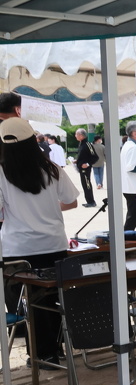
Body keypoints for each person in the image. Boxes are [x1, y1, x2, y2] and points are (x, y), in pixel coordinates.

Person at [0, 117, 78, 369]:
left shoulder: (2, 172)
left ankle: (41, 354)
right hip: (53, 244)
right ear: (33, 141)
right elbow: (72, 201)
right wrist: (48, 209)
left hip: (18, 249)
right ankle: (54, 350)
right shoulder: (52, 168)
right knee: (53, 298)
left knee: (26, 303)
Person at [73, 128, 98, 208]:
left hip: (86, 169)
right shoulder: (81, 144)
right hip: (81, 168)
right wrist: (77, 161)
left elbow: (95, 157)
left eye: (76, 134)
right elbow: (83, 156)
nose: (75, 136)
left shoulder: (88, 144)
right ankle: (88, 200)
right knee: (84, 184)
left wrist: (88, 164)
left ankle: (91, 201)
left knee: (87, 184)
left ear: (81, 135)